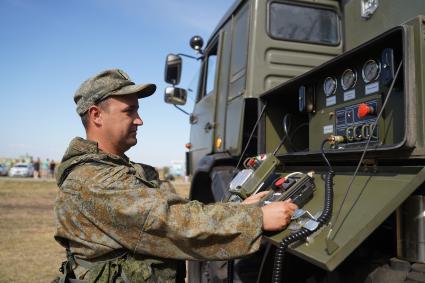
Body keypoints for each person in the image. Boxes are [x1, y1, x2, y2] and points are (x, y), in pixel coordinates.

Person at [54, 69, 297, 283]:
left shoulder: (115, 171)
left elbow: (176, 212)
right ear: (96, 115)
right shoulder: (96, 181)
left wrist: (241, 210)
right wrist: (256, 219)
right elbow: (172, 223)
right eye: (129, 111)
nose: (139, 120)